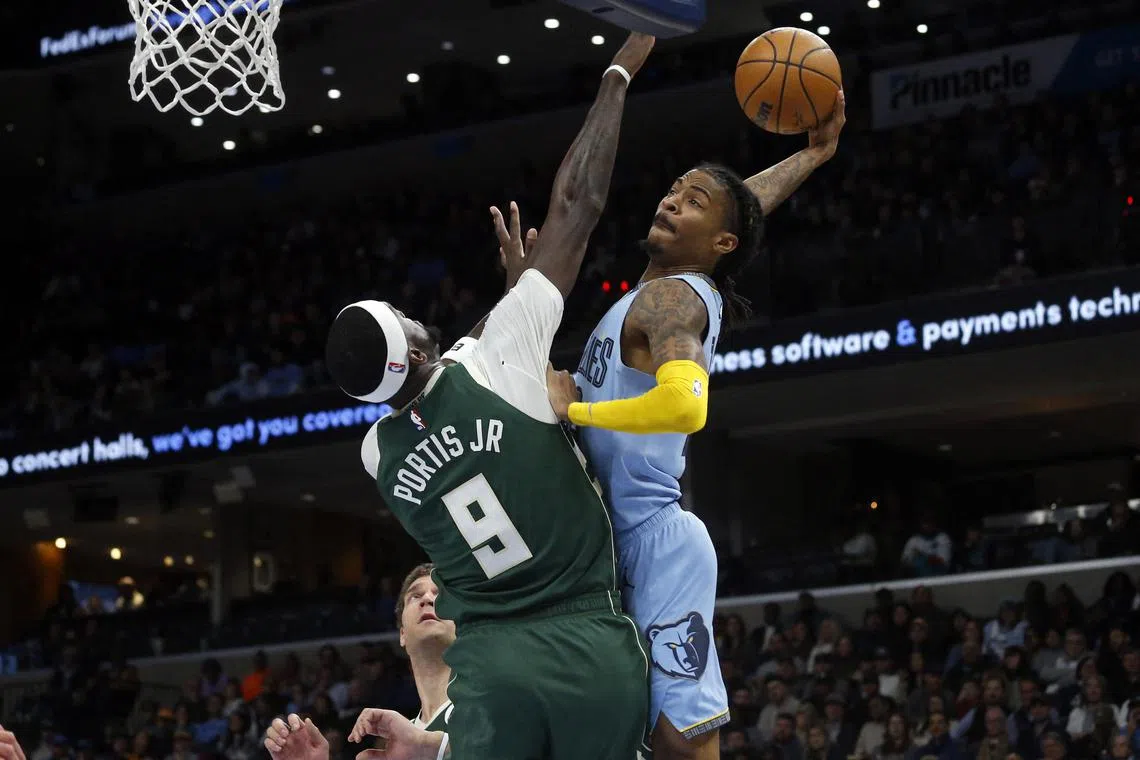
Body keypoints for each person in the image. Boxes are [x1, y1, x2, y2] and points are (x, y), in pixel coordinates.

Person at [321, 32, 656, 760]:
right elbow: (579, 200)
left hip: (493, 667)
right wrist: (617, 74)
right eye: (410, 321)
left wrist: (517, 300)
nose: (422, 318)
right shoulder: (498, 352)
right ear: (415, 346)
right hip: (582, 634)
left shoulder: (378, 453)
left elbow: (450, 369)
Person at [533, 88, 847, 759]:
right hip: (608, 549)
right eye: (675, 190)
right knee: (632, 733)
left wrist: (575, 408)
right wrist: (813, 156)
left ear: (720, 243)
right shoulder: (673, 283)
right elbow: (744, 210)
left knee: (680, 738)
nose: (675, 199)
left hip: (656, 542)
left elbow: (686, 406)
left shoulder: (673, 299)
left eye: (693, 201)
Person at [263, 564, 456, 760]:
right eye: (415, 596)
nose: (427, 599)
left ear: (463, 624)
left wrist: (429, 746)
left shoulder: (484, 701)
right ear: (402, 634)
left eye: (439, 594)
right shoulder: (401, 742)